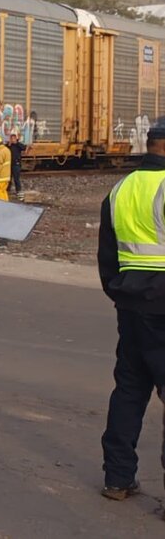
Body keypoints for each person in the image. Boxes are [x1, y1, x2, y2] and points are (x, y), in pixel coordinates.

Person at [97, 118, 165, 502]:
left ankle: (117, 479)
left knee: (129, 389)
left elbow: (107, 258)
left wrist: (121, 294)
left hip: (131, 305)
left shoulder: (120, 189)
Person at [8, 131, 26, 198]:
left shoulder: (18, 145)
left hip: (16, 164)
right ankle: (8, 190)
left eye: (13, 138)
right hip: (9, 164)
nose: (12, 140)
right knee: (8, 179)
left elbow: (24, 147)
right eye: (11, 138)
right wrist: (9, 145)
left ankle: (18, 190)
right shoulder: (9, 145)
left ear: (16, 139)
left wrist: (17, 143)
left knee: (16, 178)